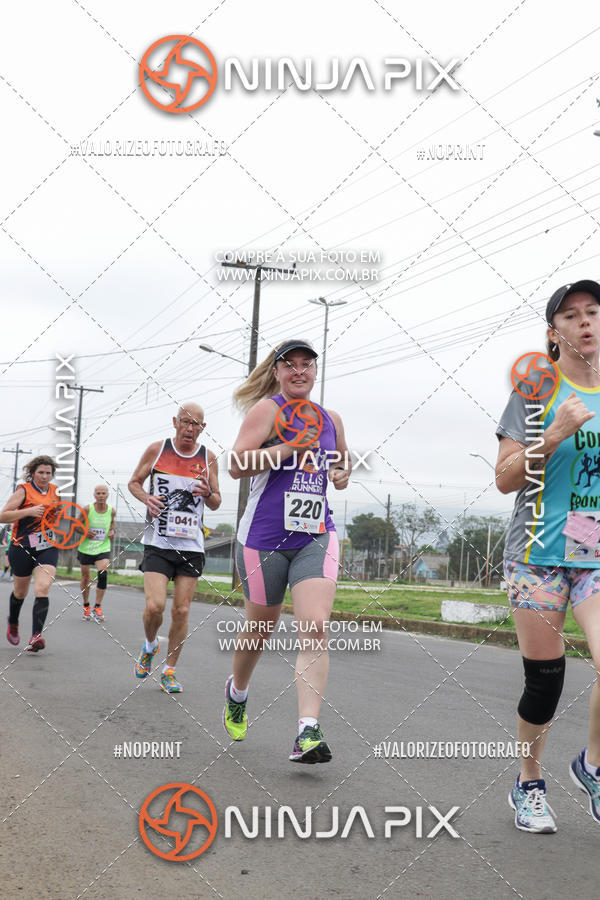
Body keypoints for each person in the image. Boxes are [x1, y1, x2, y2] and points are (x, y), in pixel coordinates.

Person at [496, 279, 600, 833]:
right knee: (546, 681)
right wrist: (554, 434)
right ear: (552, 332)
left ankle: (592, 766)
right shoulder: (536, 391)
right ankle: (528, 782)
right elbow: (504, 478)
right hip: (536, 556)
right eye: (570, 315)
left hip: (595, 554)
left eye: (593, 312)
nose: (585, 321)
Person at [224, 338, 351, 763]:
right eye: (290, 365)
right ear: (277, 372)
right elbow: (237, 464)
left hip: (316, 534)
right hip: (264, 537)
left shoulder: (330, 417)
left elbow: (340, 465)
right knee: (260, 629)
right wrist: (287, 449)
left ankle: (307, 731)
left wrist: (341, 472)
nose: (299, 372)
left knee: (315, 625)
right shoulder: (268, 411)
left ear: (315, 371)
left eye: (307, 365)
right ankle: (237, 691)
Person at [128, 403, 221, 692]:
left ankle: (169, 670)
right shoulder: (157, 450)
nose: (190, 429)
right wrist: (147, 498)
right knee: (155, 606)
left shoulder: (208, 457)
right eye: (185, 422)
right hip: (158, 542)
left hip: (192, 546)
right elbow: (134, 483)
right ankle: (150, 644)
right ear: (175, 422)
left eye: (197, 424)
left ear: (203, 428)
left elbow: (216, 501)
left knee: (181, 610)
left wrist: (208, 493)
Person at [0, 455, 60, 651]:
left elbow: (55, 515)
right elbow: (3, 515)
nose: (44, 476)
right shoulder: (23, 490)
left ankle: (36, 636)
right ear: (33, 473)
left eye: (48, 473)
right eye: (40, 472)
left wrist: (56, 516)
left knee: (42, 588)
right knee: (20, 592)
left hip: (47, 546)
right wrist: (27, 511)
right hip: (22, 546)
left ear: (52, 474)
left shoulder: (55, 491)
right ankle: (14, 622)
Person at [77, 485, 115, 622]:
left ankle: (97, 607)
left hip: (102, 548)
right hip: (86, 548)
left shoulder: (111, 511)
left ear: (107, 495)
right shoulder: (87, 509)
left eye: (103, 493)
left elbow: (112, 524)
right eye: (98, 493)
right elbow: (76, 525)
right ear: (94, 495)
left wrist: (111, 531)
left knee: (103, 574)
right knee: (86, 578)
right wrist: (85, 532)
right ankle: (86, 605)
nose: (101, 495)